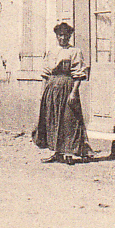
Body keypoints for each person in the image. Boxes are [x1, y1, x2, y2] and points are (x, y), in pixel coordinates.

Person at [33, 22, 91, 164]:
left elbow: (78, 74)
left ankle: (69, 153)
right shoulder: (51, 51)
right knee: (52, 119)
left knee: (68, 120)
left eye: (66, 35)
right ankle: (56, 152)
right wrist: (43, 93)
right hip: (52, 88)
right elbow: (45, 74)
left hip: (67, 87)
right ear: (56, 36)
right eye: (60, 35)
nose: (63, 38)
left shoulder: (75, 51)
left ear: (70, 36)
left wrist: (73, 92)